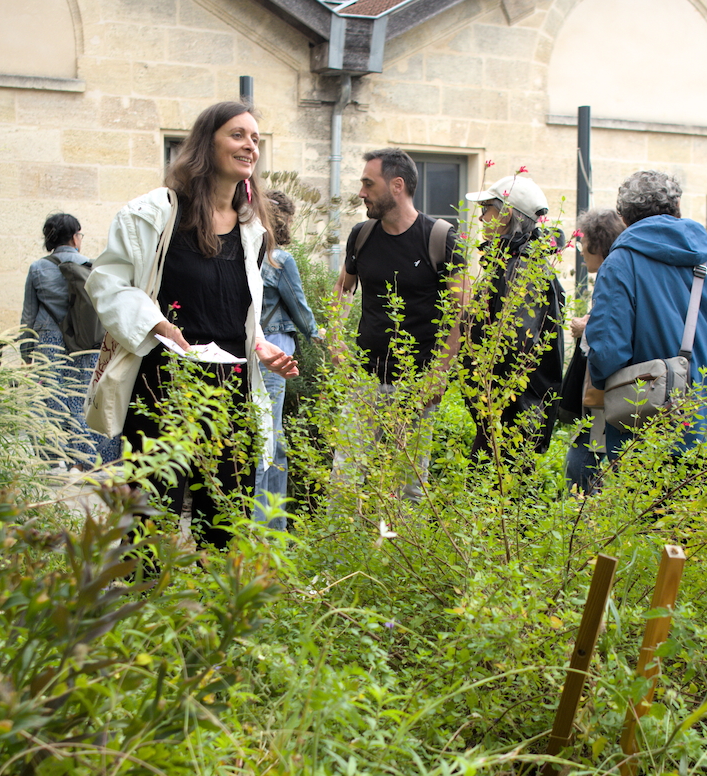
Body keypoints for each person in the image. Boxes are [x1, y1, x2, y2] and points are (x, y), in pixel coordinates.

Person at [85, 101, 298, 548]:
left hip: (230, 387)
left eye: (255, 139)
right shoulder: (157, 214)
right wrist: (158, 324)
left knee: (225, 513)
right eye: (238, 135)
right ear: (207, 142)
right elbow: (107, 283)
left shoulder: (251, 227)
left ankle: (214, 609)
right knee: (150, 511)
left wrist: (259, 345)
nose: (249, 146)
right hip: (164, 384)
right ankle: (144, 604)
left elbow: (236, 308)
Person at [584, 171, 707, 463]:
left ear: (624, 217)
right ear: (677, 208)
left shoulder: (621, 263)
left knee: (645, 509)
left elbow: (608, 352)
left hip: (644, 434)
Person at [331, 147, 469, 499]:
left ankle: (398, 554)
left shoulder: (439, 237)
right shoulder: (361, 235)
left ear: (397, 185)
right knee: (344, 482)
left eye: (368, 183)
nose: (361, 192)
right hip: (364, 380)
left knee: (406, 490)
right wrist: (334, 337)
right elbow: (343, 289)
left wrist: (438, 373)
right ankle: (339, 551)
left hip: (416, 387)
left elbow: (462, 311)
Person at [463, 172, 565, 455]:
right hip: (503, 418)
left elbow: (513, 347)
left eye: (487, 209)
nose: (482, 218)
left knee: (499, 492)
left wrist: (486, 398)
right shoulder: (512, 263)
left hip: (510, 419)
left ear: (506, 215)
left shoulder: (523, 270)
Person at [20, 213, 122, 470]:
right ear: (76, 237)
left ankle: (55, 458)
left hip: (49, 340)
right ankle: (87, 459)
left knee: (52, 398)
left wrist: (26, 350)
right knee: (83, 397)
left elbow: (29, 314)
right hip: (85, 340)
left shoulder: (38, 268)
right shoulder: (92, 265)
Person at [253, 189, 322, 530]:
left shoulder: (245, 253)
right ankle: (270, 525)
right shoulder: (280, 260)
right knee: (272, 438)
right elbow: (299, 308)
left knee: (256, 433)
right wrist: (319, 335)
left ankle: (258, 522)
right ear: (283, 220)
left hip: (248, 347)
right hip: (276, 348)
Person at [565, 207, 625, 491]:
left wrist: (585, 330)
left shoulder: (611, 273)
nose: (581, 249)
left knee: (583, 459)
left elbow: (611, 335)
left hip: (606, 388)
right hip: (614, 389)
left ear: (597, 243)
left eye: (583, 242)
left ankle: (581, 515)